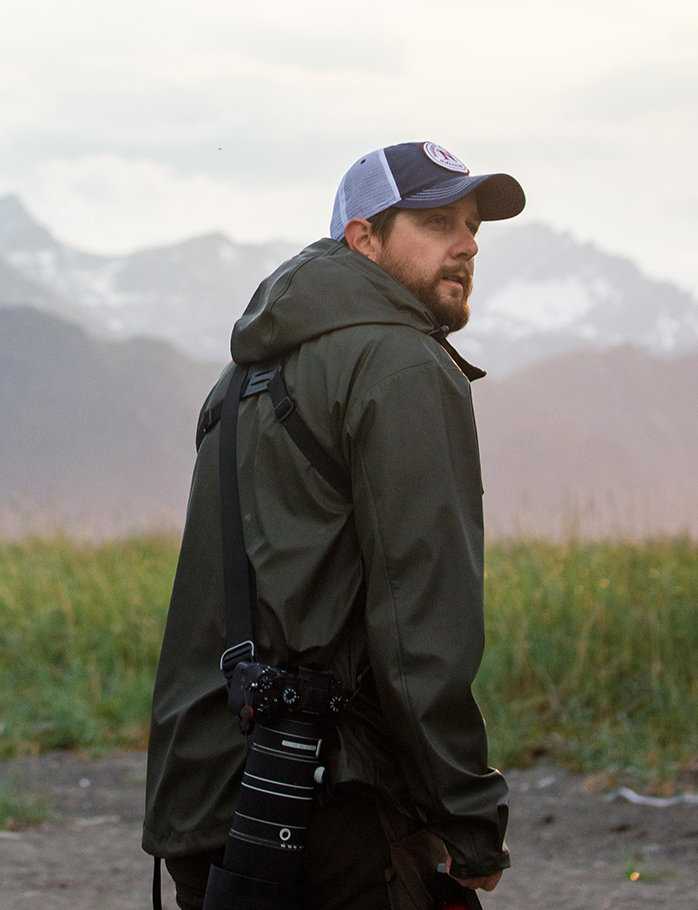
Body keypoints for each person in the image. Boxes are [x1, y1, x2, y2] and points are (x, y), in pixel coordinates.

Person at [144, 141, 525, 910]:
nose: (468, 243)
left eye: (473, 224)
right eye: (437, 221)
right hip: (335, 811)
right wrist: (468, 819)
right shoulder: (404, 367)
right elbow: (422, 627)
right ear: (364, 239)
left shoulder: (241, 376)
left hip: (209, 805)